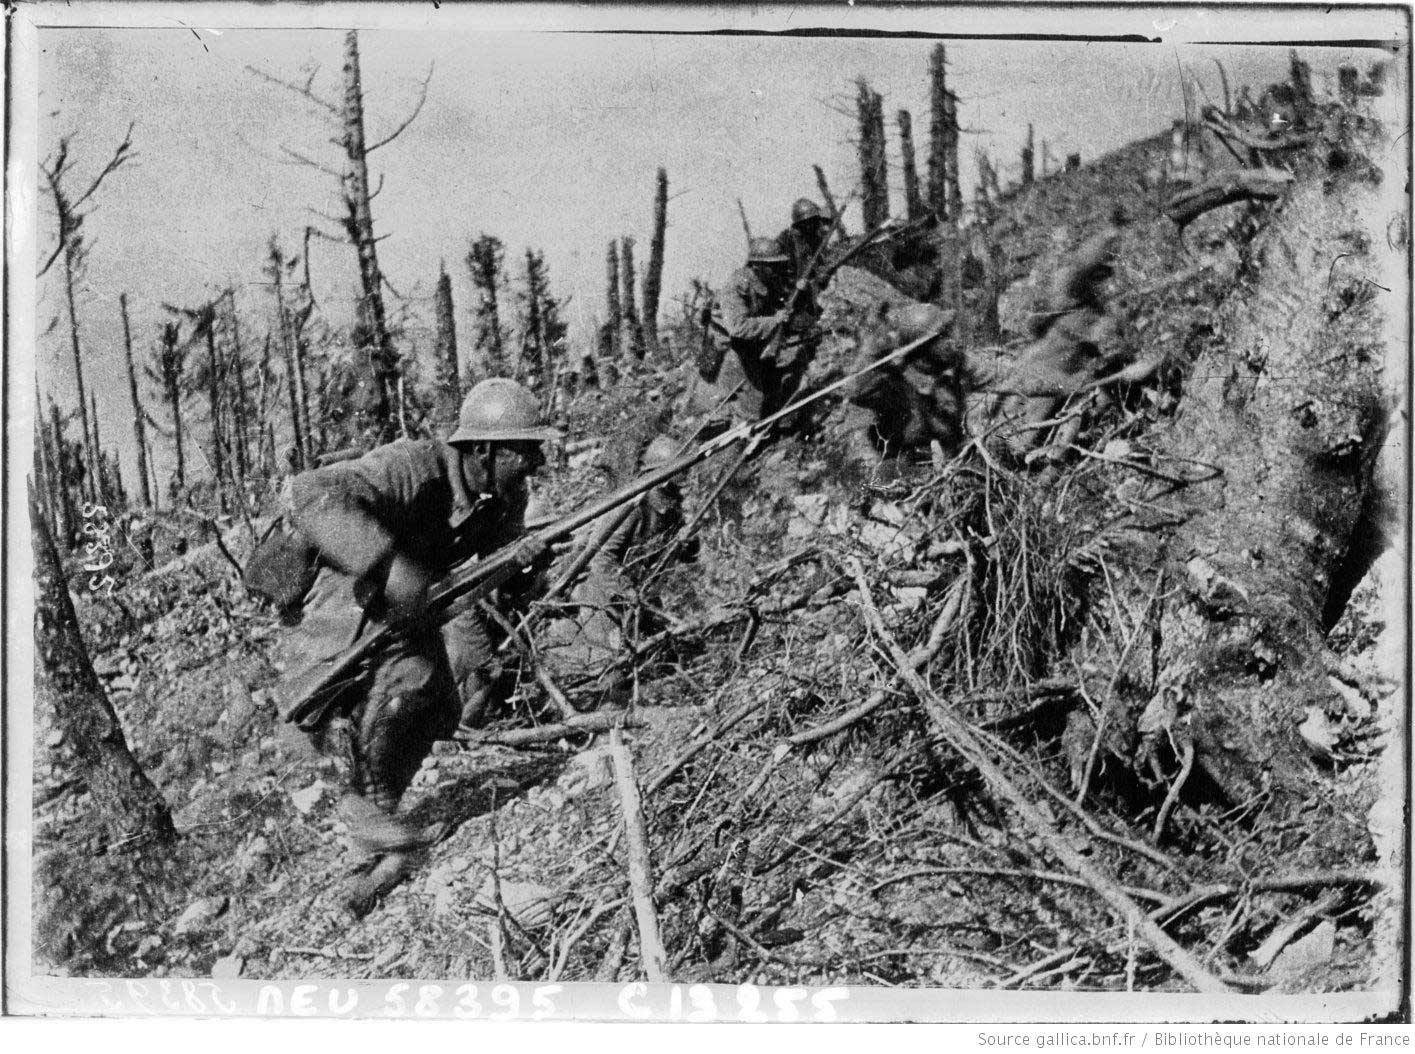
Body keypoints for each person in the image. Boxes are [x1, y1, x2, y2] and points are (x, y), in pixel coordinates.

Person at [274, 378, 560, 915]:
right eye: (526, 450)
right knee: (314, 720)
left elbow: (499, 570)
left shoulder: (504, 497)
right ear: (484, 450)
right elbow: (308, 494)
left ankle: (384, 823)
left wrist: (528, 564)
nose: (537, 462)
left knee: (433, 704)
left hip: (409, 603)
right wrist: (389, 566)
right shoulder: (412, 467)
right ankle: (362, 815)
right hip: (340, 592)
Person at [537, 435, 694, 707]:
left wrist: (688, 546)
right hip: (602, 594)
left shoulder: (671, 511)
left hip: (636, 594)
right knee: (611, 668)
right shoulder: (630, 506)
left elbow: (668, 557)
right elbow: (601, 559)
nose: (679, 490)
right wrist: (629, 594)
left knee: (666, 655)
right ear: (660, 478)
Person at [992, 218, 1127, 462]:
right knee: (1017, 439)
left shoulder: (1097, 310)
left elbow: (1111, 353)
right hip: (1040, 374)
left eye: (1104, 278)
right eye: (1097, 277)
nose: (1103, 284)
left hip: (1061, 382)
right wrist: (1109, 235)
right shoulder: (1070, 294)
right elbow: (1079, 266)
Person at [693, 235, 820, 433]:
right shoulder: (735, 287)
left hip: (747, 347)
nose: (779, 270)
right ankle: (741, 445)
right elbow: (738, 328)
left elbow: (780, 306)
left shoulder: (764, 280)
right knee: (750, 411)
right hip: (727, 352)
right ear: (757, 266)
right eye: (773, 265)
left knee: (772, 387)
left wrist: (799, 291)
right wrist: (775, 320)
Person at [841, 303, 964, 469]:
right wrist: (873, 350)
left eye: (948, 333)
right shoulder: (895, 381)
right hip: (912, 464)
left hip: (960, 455)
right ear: (923, 348)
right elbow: (854, 390)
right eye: (942, 337)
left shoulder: (955, 367)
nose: (951, 342)